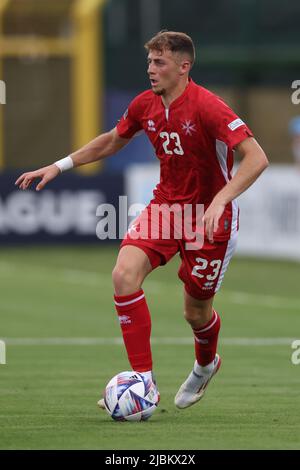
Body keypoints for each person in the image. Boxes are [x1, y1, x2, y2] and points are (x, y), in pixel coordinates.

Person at [15, 31, 269, 410]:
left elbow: (256, 158)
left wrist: (220, 201)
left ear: (184, 67)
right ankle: (143, 382)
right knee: (123, 274)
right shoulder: (144, 105)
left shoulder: (209, 107)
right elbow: (113, 140)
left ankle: (205, 364)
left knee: (195, 311)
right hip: (165, 210)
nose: (151, 69)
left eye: (159, 62)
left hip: (209, 221)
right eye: (149, 62)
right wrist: (60, 165)